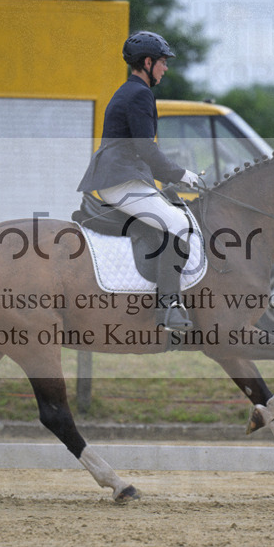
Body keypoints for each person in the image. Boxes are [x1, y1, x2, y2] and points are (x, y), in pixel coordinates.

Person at [77, 31, 202, 331]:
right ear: (147, 62)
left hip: (123, 176)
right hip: (121, 180)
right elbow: (146, 149)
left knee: (171, 216)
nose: (165, 68)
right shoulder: (140, 94)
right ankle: (169, 307)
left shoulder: (129, 91)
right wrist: (182, 175)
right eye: (162, 62)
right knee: (179, 224)